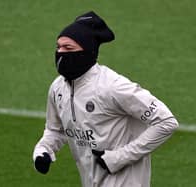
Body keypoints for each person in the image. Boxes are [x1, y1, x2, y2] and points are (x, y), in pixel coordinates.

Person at [32, 11, 178, 187]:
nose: (60, 53)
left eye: (68, 48)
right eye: (58, 47)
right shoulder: (58, 88)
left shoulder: (113, 87)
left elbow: (166, 122)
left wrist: (119, 158)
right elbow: (56, 130)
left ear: (87, 51)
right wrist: (43, 150)